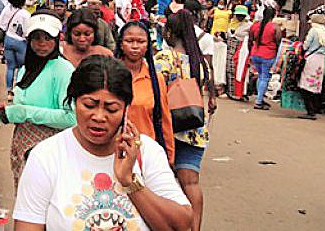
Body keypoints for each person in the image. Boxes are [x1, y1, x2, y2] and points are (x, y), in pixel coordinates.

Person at [13, 56, 192, 231]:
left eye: (111, 109)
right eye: (89, 105)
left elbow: (182, 224)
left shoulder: (147, 152)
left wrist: (130, 182)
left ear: (126, 109)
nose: (99, 117)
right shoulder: (46, 156)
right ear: (74, 102)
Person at [0, 10, 76, 187]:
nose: (42, 44)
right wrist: (8, 113)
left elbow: (71, 118)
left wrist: (25, 113)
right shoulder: (26, 68)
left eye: (48, 38)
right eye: (36, 38)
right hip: (23, 149)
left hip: (49, 153)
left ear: (56, 40)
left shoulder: (63, 70)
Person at [155, 10, 216, 231]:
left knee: (165, 182)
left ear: (170, 32)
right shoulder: (199, 60)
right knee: (191, 182)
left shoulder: (165, 58)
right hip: (195, 127)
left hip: (170, 126)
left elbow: (156, 89)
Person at [116, 21, 175, 164]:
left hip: (145, 153)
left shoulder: (156, 79)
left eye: (141, 41)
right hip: (113, 151)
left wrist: (169, 157)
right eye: (129, 41)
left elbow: (164, 119)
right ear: (121, 44)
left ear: (148, 45)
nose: (135, 46)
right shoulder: (109, 74)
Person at [298, 13, 325, 120]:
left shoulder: (313, 31)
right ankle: (313, 109)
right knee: (315, 85)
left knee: (305, 84)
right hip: (321, 60)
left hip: (311, 59)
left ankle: (310, 111)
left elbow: (306, 45)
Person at [0, 0, 31, 98]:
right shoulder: (25, 14)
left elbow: (1, 24)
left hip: (8, 39)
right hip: (21, 43)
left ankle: (9, 91)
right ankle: (17, 91)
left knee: (10, 67)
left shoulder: (7, 9)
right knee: (22, 68)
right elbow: (27, 32)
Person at [248, 7, 282, 110]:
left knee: (260, 76)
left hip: (255, 52)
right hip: (268, 54)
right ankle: (258, 101)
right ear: (274, 15)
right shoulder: (275, 27)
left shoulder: (255, 25)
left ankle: (260, 97)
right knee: (265, 77)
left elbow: (250, 39)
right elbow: (278, 41)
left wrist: (250, 52)